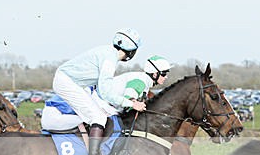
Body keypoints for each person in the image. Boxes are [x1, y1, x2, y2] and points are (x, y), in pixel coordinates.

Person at [52, 29, 143, 155]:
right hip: (66, 82)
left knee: (100, 115)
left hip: (71, 82)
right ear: (132, 51)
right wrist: (131, 104)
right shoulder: (110, 59)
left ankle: (90, 153)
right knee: (98, 117)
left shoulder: (107, 52)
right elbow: (106, 92)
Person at [42, 55, 173, 133]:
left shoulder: (143, 80)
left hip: (101, 102)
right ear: (155, 74)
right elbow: (129, 97)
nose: (166, 77)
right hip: (99, 103)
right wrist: (135, 103)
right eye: (164, 73)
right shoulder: (141, 81)